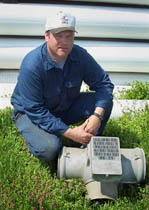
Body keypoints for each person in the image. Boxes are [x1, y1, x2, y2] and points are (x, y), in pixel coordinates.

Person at [11, 11, 114, 161]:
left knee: (104, 103)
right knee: (50, 148)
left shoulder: (79, 55)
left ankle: (84, 142)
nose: (64, 42)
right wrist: (69, 132)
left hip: (64, 105)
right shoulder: (32, 64)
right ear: (47, 36)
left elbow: (104, 84)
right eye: (58, 36)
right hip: (30, 113)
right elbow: (34, 109)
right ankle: (40, 138)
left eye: (69, 36)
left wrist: (97, 115)